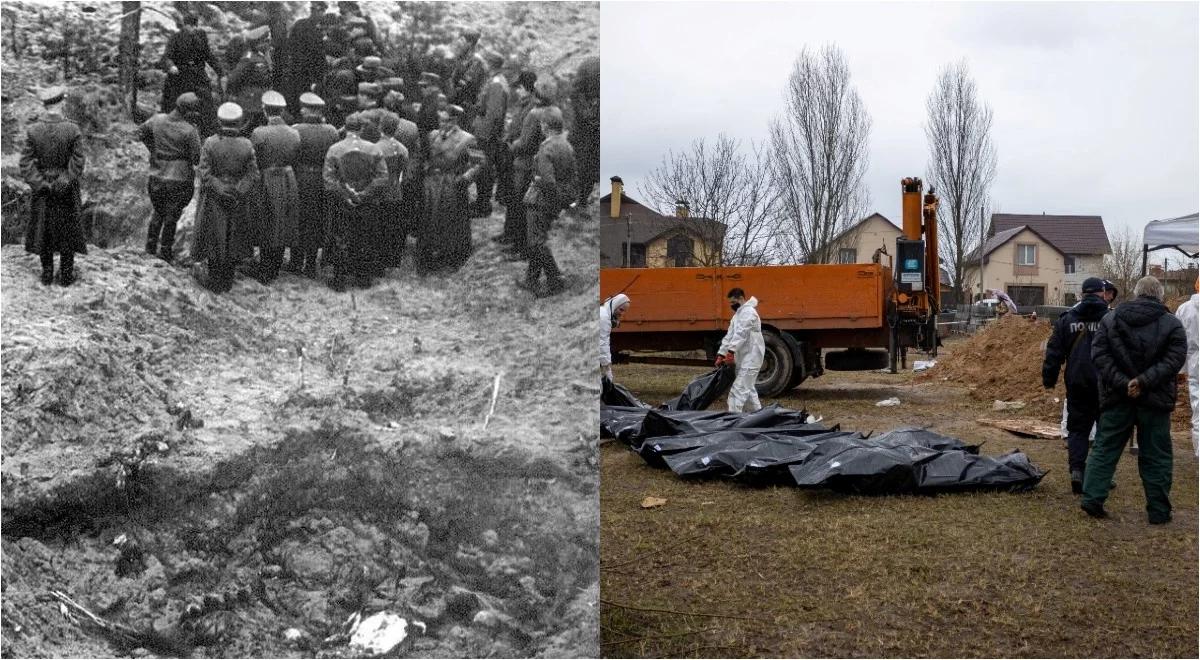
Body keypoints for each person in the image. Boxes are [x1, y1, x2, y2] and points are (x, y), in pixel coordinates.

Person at [1081, 276, 1188, 523]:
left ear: (1137, 294)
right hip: (1155, 400)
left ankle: (1092, 498)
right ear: (1160, 295)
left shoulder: (1110, 319)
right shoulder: (1172, 324)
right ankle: (1159, 511)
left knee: (1105, 448)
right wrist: (1145, 381)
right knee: (1157, 455)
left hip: (1118, 398)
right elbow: (1174, 359)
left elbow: (1099, 355)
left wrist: (1124, 383)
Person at [1043, 277, 1110, 493]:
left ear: (1082, 294)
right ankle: (1101, 475)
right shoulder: (1111, 318)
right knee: (1105, 431)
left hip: (1077, 381)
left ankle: (1077, 471)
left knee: (1077, 430)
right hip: (1106, 383)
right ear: (1102, 293)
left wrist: (1049, 378)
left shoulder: (1067, 319)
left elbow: (1054, 352)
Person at [21, 86, 87, 286]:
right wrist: (65, 180)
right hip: (66, 188)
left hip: (43, 188)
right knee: (68, 229)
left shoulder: (33, 130)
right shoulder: (73, 129)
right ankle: (66, 275)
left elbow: (25, 162)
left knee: (44, 229)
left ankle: (47, 274)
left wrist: (40, 184)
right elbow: (78, 160)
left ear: (45, 105)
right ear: (61, 102)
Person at [195, 103, 259, 293]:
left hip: (215, 198)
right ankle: (227, 280)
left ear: (219, 121)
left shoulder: (210, 143)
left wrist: (220, 189)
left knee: (214, 237)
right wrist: (238, 191)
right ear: (239, 122)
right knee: (234, 238)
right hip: (237, 199)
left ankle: (214, 280)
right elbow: (253, 175)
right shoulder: (247, 144)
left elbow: (204, 173)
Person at [322, 112, 388, 291]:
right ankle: (363, 278)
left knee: (340, 237)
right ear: (362, 128)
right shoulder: (374, 149)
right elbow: (382, 177)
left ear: (345, 127)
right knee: (365, 237)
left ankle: (340, 279)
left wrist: (346, 195)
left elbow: (328, 179)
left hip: (342, 202)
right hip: (367, 202)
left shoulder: (335, 149)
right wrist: (364, 194)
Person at [138, 92, 202, 263]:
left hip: (157, 174)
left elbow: (140, 133)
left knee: (157, 211)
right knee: (171, 217)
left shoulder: (157, 119)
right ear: (189, 112)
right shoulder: (190, 131)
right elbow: (197, 158)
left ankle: (150, 248)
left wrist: (153, 149)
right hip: (179, 178)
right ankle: (165, 252)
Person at [518, 106, 576, 297]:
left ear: (545, 126)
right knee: (538, 238)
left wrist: (538, 182)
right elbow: (571, 176)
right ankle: (531, 279)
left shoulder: (546, 148)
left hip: (540, 201)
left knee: (536, 242)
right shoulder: (566, 145)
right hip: (555, 200)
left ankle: (555, 278)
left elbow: (547, 181)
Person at [418, 105, 482, 275]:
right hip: (432, 185)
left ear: (454, 121)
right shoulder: (433, 135)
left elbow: (479, 163)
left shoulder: (467, 139)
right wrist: (425, 170)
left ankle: (452, 258)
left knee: (452, 222)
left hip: (452, 185)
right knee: (430, 221)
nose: (441, 124)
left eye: (445, 121)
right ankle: (429, 257)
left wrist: (464, 179)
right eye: (440, 120)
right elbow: (425, 157)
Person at [250, 91, 301, 283]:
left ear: (265, 110)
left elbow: (253, 158)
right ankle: (276, 265)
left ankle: (265, 268)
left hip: (267, 178)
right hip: (288, 179)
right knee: (282, 222)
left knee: (266, 220)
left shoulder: (259, 133)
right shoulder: (294, 133)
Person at [290, 93, 340, 278]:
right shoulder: (332, 131)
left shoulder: (296, 130)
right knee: (316, 220)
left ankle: (296, 261)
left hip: (300, 178)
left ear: (305, 110)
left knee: (299, 219)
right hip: (321, 179)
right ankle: (311, 263)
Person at [506, 77, 554, 260]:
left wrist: (511, 145)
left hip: (524, 164)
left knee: (519, 206)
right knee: (529, 210)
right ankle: (523, 247)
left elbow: (524, 143)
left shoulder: (534, 114)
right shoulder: (554, 111)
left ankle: (520, 249)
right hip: (538, 165)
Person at [160, 13, 223, 137]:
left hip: (197, 74)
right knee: (173, 102)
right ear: (184, 25)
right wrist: (171, 66)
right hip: (180, 75)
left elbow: (208, 56)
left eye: (195, 26)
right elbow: (166, 57)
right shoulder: (175, 38)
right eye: (190, 26)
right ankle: (169, 131)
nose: (192, 29)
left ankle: (209, 133)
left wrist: (220, 72)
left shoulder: (201, 36)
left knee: (207, 101)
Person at [498, 70, 536, 249]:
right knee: (511, 198)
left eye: (520, 88)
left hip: (523, 160)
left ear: (528, 89)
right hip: (514, 157)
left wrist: (511, 145)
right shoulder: (524, 104)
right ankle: (508, 234)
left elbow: (527, 140)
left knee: (518, 201)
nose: (517, 91)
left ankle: (517, 242)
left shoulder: (532, 109)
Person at [469, 49, 509, 218]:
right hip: (485, 131)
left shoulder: (496, 83)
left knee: (484, 169)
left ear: (491, 64)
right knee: (483, 168)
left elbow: (494, 114)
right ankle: (481, 201)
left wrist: (487, 135)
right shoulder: (496, 80)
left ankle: (483, 206)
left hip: (486, 133)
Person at [716, 288, 765, 413]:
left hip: (753, 356)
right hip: (743, 356)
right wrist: (721, 353)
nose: (732, 305)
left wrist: (731, 351)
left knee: (738, 390)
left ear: (741, 299)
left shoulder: (749, 312)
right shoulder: (737, 316)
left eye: (733, 302)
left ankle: (733, 419)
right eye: (730, 303)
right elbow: (730, 335)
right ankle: (758, 416)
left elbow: (741, 333)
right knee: (748, 391)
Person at [375, 113, 410, 268]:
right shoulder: (402, 148)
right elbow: (404, 169)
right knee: (393, 226)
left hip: (379, 192)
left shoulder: (376, 148)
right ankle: (392, 259)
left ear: (380, 127)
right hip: (395, 190)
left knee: (379, 227)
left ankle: (379, 259)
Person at [226, 27, 273, 137]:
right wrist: (232, 94)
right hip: (250, 101)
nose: (269, 43)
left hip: (261, 100)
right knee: (245, 130)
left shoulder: (264, 56)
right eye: (266, 41)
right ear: (259, 43)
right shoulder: (249, 59)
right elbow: (234, 78)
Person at [286, 1, 328, 112]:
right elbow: (290, 45)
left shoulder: (323, 27)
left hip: (313, 71)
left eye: (318, 11)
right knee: (298, 97)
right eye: (313, 10)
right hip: (300, 69)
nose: (315, 13)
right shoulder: (301, 24)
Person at [569, 55, 599, 206]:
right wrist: (586, 113)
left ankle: (583, 198)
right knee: (580, 162)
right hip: (584, 127)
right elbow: (575, 92)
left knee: (595, 164)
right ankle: (576, 198)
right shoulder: (589, 64)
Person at [1175, 279, 1199, 457]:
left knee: (1198, 416)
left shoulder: (1184, 309)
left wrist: (1180, 370)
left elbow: (1178, 343)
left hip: (1195, 366)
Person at [600, 294, 631, 383]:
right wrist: (606, 365)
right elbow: (602, 343)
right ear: (615, 305)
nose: (622, 313)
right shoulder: (604, 318)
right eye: (621, 309)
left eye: (624, 311)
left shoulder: (604, 313)